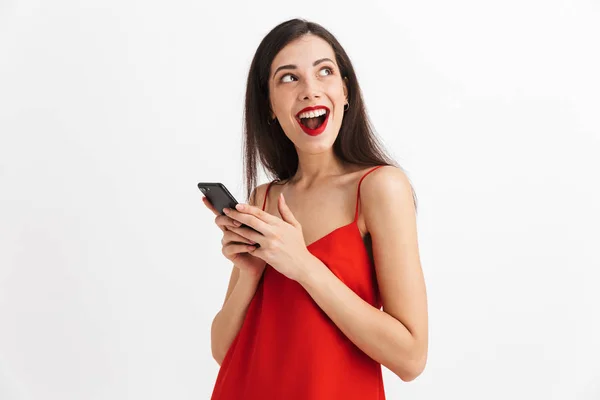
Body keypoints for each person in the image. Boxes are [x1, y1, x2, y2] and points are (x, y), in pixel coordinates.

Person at [201, 18, 428, 400]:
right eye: (289, 78)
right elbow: (224, 352)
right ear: (270, 106)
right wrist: (251, 274)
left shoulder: (379, 188)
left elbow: (411, 357)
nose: (310, 90)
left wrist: (303, 266)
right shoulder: (263, 199)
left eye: (324, 71)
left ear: (344, 91)